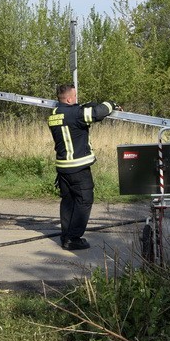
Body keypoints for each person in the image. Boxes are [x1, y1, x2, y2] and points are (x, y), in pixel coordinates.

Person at [48, 84, 119, 251]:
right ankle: (74, 238)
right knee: (84, 201)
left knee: (68, 201)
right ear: (70, 99)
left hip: (62, 167)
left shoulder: (54, 114)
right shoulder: (75, 114)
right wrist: (112, 104)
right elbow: (98, 112)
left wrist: (88, 104)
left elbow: (80, 111)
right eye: (75, 96)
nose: (77, 99)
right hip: (78, 167)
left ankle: (66, 235)